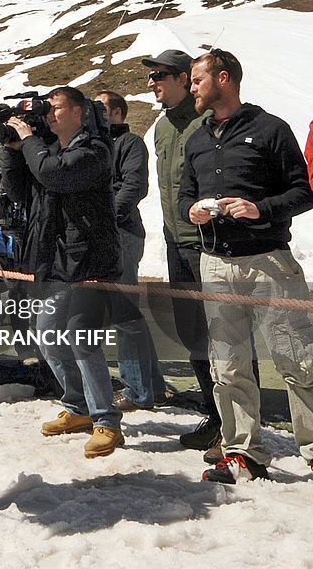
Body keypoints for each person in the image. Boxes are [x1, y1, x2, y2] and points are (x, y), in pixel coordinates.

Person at [179, 48, 313, 484]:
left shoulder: (270, 128)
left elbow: (303, 191)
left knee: (299, 362)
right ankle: (243, 455)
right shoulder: (196, 137)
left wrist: (261, 209)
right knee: (229, 368)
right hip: (215, 265)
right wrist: (193, 211)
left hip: (269, 263)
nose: (192, 87)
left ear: (223, 78)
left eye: (197, 79)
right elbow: (184, 197)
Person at [6, 86, 124, 458]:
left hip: (90, 259)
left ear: (79, 111)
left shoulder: (94, 150)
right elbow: (20, 190)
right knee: (47, 335)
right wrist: (12, 150)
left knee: (82, 339)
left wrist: (28, 140)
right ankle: (78, 406)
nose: (49, 115)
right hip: (56, 260)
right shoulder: (50, 149)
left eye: (56, 108)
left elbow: (52, 175)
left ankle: (106, 420)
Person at [144, 49, 225, 458]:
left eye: (159, 75)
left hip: (208, 244)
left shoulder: (206, 122)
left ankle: (236, 423)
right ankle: (215, 417)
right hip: (176, 241)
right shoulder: (160, 128)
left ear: (181, 78)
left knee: (223, 335)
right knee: (191, 333)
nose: (151, 83)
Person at [96, 90, 167, 410]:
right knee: (127, 313)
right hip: (106, 236)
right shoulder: (95, 146)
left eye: (101, 108)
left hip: (122, 233)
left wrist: (105, 219)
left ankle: (137, 391)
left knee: (123, 313)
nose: (94, 113)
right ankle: (152, 386)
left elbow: (134, 187)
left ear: (118, 113)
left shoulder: (130, 143)